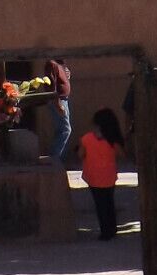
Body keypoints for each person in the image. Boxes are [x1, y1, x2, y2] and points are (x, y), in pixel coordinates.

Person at [75, 107, 125, 242]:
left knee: (100, 205)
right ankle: (112, 228)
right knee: (109, 202)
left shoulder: (86, 139)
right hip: (109, 176)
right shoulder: (113, 141)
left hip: (93, 177)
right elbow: (121, 155)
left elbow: (80, 154)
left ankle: (105, 232)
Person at [41, 58, 73, 166]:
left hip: (64, 100)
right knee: (65, 130)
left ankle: (59, 159)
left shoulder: (60, 65)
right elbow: (51, 85)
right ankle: (54, 158)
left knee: (61, 130)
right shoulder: (52, 64)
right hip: (58, 100)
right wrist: (57, 102)